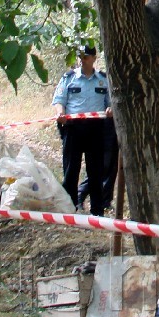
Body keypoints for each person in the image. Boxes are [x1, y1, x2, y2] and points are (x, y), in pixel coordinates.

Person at [52, 44, 112, 215]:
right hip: (73, 128)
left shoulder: (103, 79)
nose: (82, 60)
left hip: (96, 128)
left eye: (86, 57)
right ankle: (69, 208)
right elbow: (59, 100)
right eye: (80, 57)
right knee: (71, 169)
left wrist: (110, 109)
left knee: (96, 170)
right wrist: (60, 112)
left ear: (93, 58)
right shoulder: (69, 78)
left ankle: (97, 210)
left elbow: (110, 101)